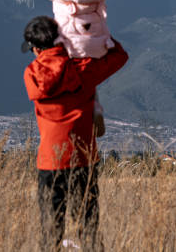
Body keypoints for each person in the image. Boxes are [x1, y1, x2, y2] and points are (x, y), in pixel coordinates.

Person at [22, 15, 128, 250]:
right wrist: (98, 34)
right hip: (83, 157)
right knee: (88, 225)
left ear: (36, 48)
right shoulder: (83, 69)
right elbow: (120, 56)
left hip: (50, 161)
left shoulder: (31, 74)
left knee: (51, 229)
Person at [13, 0, 122, 136]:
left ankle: (78, 112)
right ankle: (95, 110)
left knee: (71, 82)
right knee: (89, 80)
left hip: (69, 46)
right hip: (98, 46)